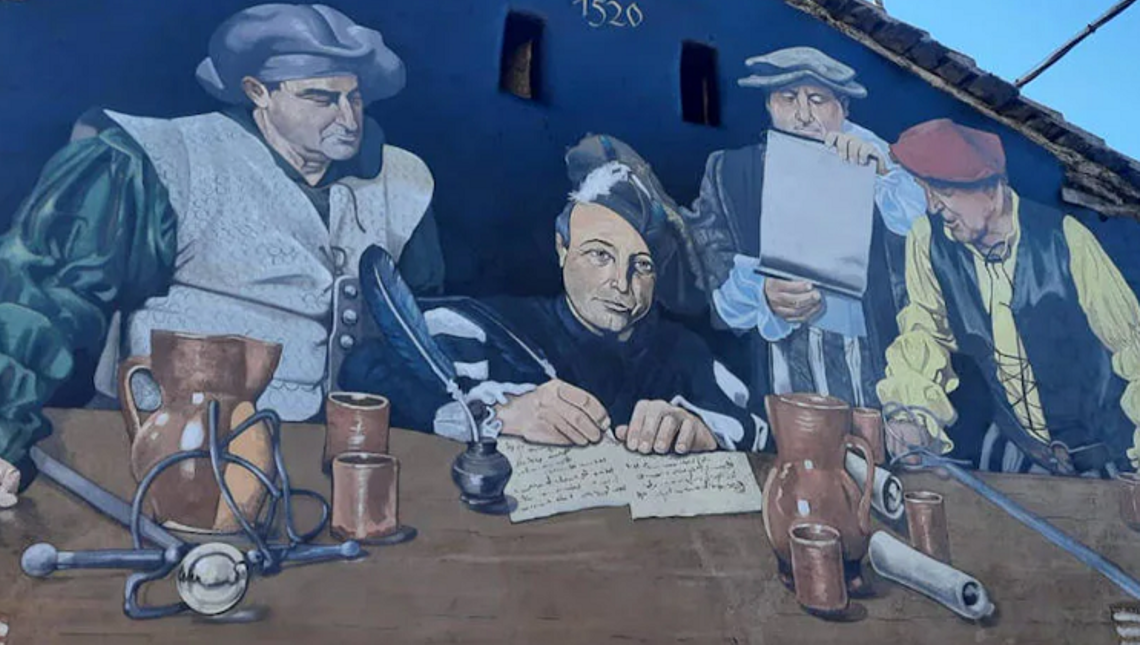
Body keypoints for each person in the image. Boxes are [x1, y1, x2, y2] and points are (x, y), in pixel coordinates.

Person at [0, 3, 444, 525]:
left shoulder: (403, 181)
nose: (348, 118)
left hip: (327, 475)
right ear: (258, 93)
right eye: (321, 97)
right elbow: (29, 294)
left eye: (354, 97)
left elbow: (424, 326)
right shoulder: (157, 161)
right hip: (160, 461)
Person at [343, 135, 768, 454]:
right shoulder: (488, 330)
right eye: (600, 255)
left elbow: (754, 428)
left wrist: (698, 430)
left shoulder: (683, 353)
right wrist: (498, 415)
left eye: (641, 266)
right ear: (562, 249)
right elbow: (365, 369)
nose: (621, 283)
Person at [877, 118, 1140, 476]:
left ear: (993, 190)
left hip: (1099, 463)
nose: (934, 207)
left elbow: (1133, 348)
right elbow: (924, 332)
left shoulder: (1066, 240)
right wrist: (910, 412)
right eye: (926, 191)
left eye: (944, 191)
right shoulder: (928, 240)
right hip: (1011, 457)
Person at [686, 46, 926, 409]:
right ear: (769, 105)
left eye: (817, 99)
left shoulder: (880, 169)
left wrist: (882, 176)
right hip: (780, 362)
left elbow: (927, 252)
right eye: (787, 98)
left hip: (870, 362)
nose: (802, 115)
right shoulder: (730, 172)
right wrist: (763, 294)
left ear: (843, 108)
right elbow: (711, 272)